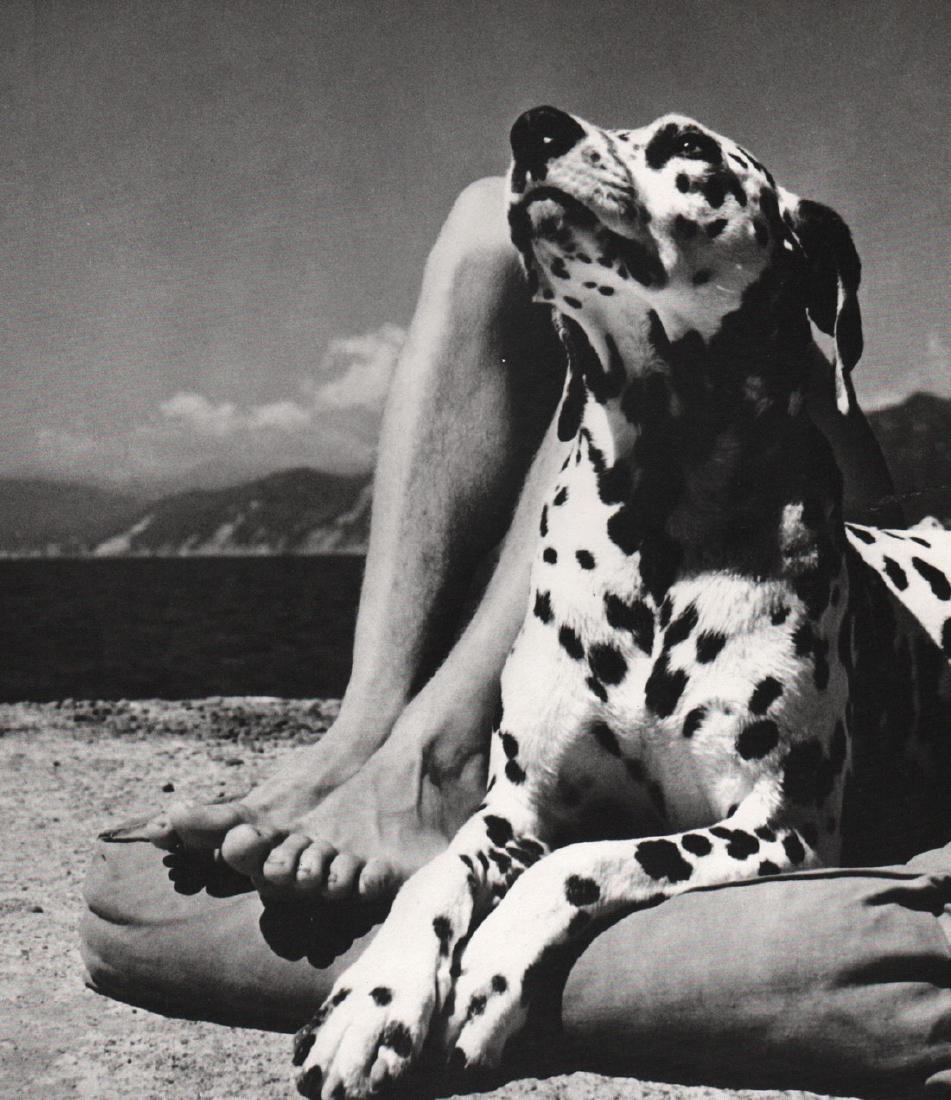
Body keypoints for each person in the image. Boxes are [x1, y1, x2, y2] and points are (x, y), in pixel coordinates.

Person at [83, 177, 951, 1098]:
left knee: (633, 293)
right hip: (740, 515)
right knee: (479, 221)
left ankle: (444, 751)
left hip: (829, 526)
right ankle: (368, 735)